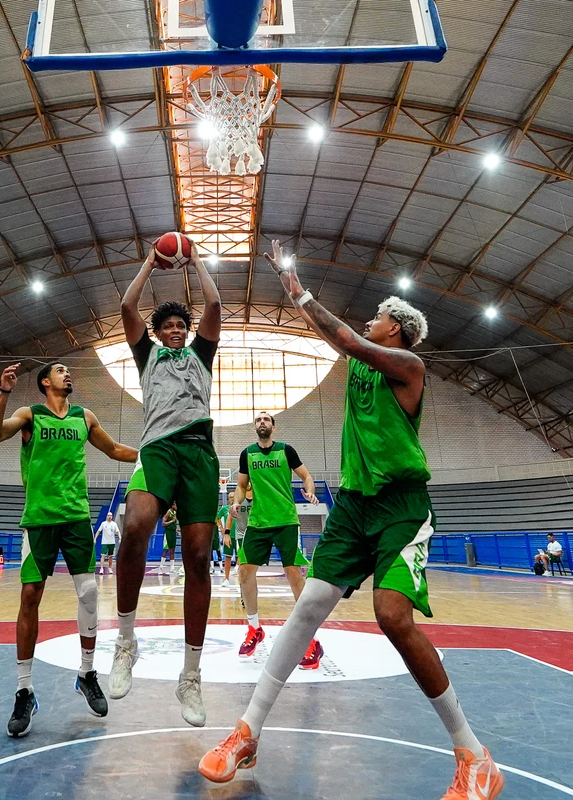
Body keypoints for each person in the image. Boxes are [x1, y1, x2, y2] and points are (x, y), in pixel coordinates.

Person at [200, 241, 503, 799]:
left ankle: (474, 755)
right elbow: (339, 341)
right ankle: (247, 730)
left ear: (396, 331)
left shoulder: (408, 367)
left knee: (392, 615)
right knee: (308, 606)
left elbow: (344, 337)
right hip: (355, 505)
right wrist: (303, 307)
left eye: (379, 316)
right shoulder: (360, 364)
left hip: (400, 506)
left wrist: (299, 292)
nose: (370, 319)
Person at [0, 361, 138, 737]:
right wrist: (4, 392)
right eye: (60, 370)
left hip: (76, 518)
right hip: (39, 519)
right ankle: (24, 690)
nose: (68, 374)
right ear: (44, 382)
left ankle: (87, 673)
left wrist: (155, 455)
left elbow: (115, 449)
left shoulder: (84, 417)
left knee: (88, 593)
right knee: (30, 597)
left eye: (70, 370)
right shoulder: (29, 414)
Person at [112, 242, 222, 727]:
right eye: (169, 326)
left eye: (181, 325)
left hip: (200, 451)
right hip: (158, 447)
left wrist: (196, 261)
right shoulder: (147, 357)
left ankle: (191, 676)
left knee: (199, 555)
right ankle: (126, 642)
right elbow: (125, 308)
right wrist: (151, 264)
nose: (176, 330)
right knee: (136, 524)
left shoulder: (201, 352)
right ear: (157, 334)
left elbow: (215, 306)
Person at [232, 411, 323, 668]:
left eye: (266, 420)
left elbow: (307, 476)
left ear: (274, 427)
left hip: (285, 521)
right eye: (258, 420)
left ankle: (311, 641)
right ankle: (254, 629)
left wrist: (309, 490)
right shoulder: (246, 454)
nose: (262, 423)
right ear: (255, 427)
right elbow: (241, 486)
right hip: (259, 522)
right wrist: (237, 503)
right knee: (245, 572)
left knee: (294, 575)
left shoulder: (286, 450)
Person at [159, 504, 179, 573]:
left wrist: (175, 530)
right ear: (172, 505)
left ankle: (172, 569)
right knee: (166, 550)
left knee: (172, 550)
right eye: (175, 505)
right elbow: (163, 523)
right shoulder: (168, 512)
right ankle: (161, 568)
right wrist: (172, 521)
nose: (176, 507)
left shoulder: (175, 513)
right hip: (168, 533)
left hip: (173, 532)